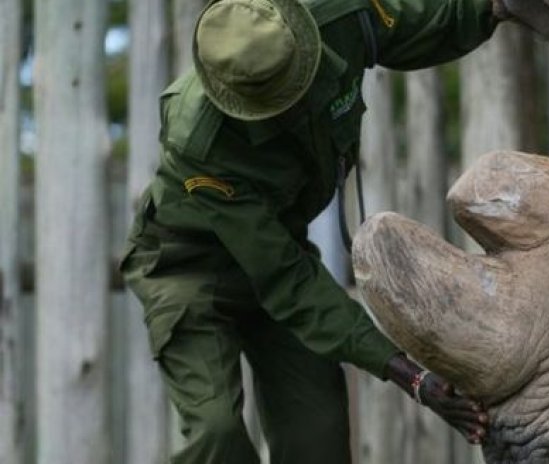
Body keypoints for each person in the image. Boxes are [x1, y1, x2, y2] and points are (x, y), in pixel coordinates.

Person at [120, 0, 508, 462]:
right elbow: (286, 280)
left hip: (281, 252)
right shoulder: (201, 143)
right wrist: (410, 376)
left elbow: (420, 26)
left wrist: (496, 8)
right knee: (217, 435)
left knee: (318, 435)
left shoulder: (338, 16)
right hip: (189, 270)